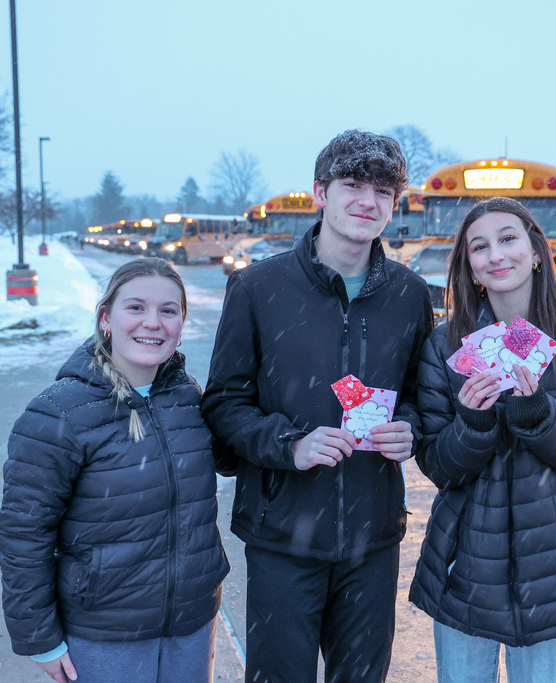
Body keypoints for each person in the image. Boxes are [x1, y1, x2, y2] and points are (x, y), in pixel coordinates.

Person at [202, 130, 434, 682]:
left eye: (383, 191)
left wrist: (411, 428)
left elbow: (423, 396)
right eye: (352, 184)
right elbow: (224, 404)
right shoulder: (258, 287)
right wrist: (290, 445)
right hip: (282, 532)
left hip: (372, 536)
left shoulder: (409, 295)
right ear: (320, 193)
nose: (368, 201)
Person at [408, 197, 556, 682]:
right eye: (479, 247)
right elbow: (437, 465)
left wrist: (542, 417)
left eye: (508, 238)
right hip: (464, 565)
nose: (496, 255)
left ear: (535, 252)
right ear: (469, 267)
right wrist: (473, 424)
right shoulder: (445, 345)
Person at [0, 258, 230, 683]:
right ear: (106, 318)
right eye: (136, 307)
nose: (153, 323)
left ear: (181, 325)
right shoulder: (58, 413)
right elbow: (23, 533)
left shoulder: (188, 397)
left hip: (192, 624)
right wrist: (39, 637)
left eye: (168, 310)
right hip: (106, 634)